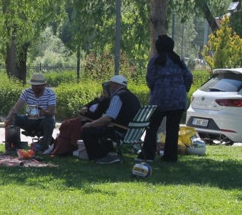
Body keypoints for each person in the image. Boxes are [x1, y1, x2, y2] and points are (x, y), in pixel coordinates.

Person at [141, 34, 193, 163]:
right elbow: (189, 77)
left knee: (152, 127)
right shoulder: (178, 61)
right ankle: (170, 156)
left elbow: (150, 79)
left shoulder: (155, 61)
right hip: (178, 99)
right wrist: (183, 89)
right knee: (173, 129)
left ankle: (148, 154)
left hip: (160, 99)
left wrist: (155, 89)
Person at [80, 74, 141, 164]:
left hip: (121, 130)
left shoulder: (118, 96)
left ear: (116, 85)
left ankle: (101, 157)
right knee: (103, 129)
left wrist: (90, 124)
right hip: (132, 132)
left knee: (87, 130)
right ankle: (110, 154)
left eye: (110, 84)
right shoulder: (132, 96)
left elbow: (108, 118)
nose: (109, 87)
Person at [50, 81, 111, 157]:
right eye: (103, 90)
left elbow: (96, 115)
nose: (103, 91)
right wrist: (84, 108)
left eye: (105, 90)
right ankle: (60, 146)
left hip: (91, 121)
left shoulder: (106, 102)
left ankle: (66, 148)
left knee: (69, 125)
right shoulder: (98, 99)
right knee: (66, 124)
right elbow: (87, 105)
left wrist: (85, 112)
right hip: (84, 118)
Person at [4, 73, 56, 154]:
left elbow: (51, 112)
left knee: (50, 120)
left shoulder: (50, 93)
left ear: (44, 85)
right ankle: (13, 144)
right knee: (13, 117)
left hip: (43, 121)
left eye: (37, 86)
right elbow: (16, 108)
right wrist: (8, 118)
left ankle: (44, 146)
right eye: (33, 85)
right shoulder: (27, 92)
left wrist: (45, 112)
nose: (35, 87)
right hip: (30, 119)